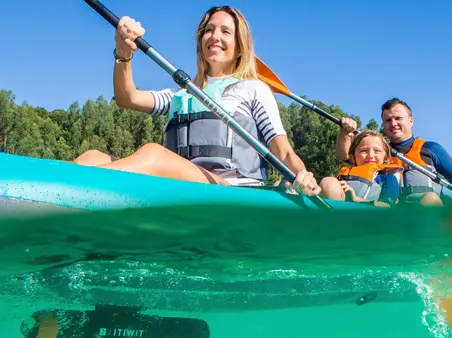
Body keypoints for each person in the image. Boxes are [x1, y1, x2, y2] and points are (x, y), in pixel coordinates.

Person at [73, 6, 320, 196]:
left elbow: (283, 150)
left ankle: (73, 187)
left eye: (225, 31)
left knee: (153, 153)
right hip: (181, 188)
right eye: (208, 30)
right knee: (93, 156)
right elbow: (127, 98)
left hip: (232, 191)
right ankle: (53, 193)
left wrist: (301, 174)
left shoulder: (254, 89)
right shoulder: (180, 95)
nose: (214, 36)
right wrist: (123, 52)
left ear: (240, 47)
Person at [335, 98, 452, 206]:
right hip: (393, 215)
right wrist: (345, 133)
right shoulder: (378, 153)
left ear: (411, 120)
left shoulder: (431, 148)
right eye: (388, 120)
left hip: (427, 209)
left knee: (430, 199)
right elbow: (346, 156)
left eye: (398, 118)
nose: (393, 123)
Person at [319, 129, 401, 207]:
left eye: (377, 151)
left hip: (369, 217)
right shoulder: (344, 175)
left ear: (385, 157)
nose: (370, 155)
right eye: (364, 151)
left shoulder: (388, 179)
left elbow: (388, 206)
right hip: (339, 208)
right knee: (328, 182)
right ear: (352, 157)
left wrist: (356, 199)